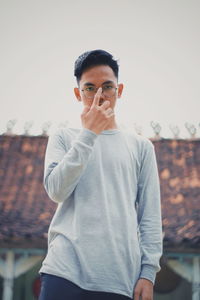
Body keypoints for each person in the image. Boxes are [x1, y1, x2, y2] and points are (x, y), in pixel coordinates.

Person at [38, 49, 163, 300]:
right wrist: (89, 134)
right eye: (89, 88)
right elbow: (56, 191)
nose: (100, 95)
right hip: (64, 272)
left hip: (118, 279)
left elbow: (150, 216)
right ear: (77, 93)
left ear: (120, 90)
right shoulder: (64, 137)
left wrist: (148, 273)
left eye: (108, 86)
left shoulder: (140, 147)